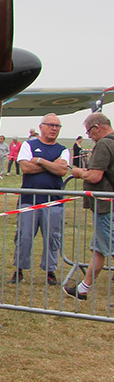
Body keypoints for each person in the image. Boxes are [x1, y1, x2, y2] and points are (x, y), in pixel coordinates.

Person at [11, 113, 70, 286]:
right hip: (29, 200)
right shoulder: (28, 145)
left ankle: (51, 272)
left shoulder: (63, 149)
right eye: (51, 125)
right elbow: (26, 168)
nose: (54, 129)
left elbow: (62, 171)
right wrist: (52, 165)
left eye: (57, 126)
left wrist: (41, 160)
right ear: (41, 126)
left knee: (52, 238)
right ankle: (19, 270)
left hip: (53, 201)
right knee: (24, 237)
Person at [66, 113, 114, 300]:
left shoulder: (104, 144)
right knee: (98, 249)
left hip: (106, 206)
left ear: (97, 127)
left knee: (107, 247)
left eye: (89, 132)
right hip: (107, 205)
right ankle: (83, 289)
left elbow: (95, 176)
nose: (89, 136)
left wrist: (79, 173)